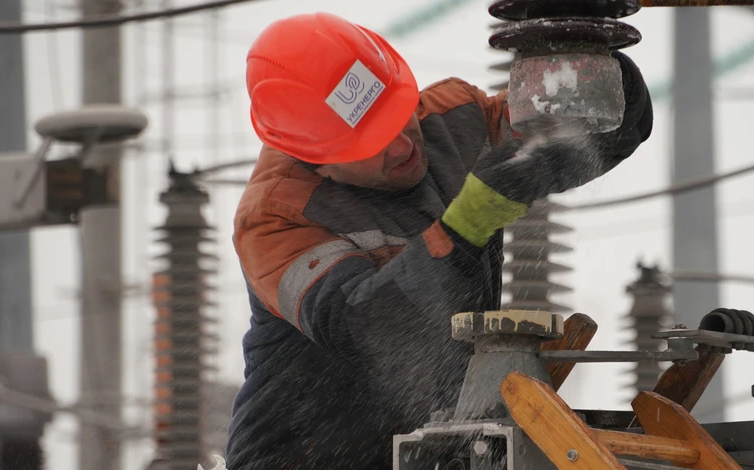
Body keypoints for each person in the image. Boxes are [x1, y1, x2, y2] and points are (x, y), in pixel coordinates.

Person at [226, 11, 653, 470]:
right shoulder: (275, 220)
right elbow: (370, 329)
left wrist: (583, 55)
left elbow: (598, 127)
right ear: (317, 161)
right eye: (371, 142)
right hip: (305, 458)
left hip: (441, 446)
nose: (402, 145)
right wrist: (466, 223)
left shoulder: (453, 121)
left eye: (398, 114)